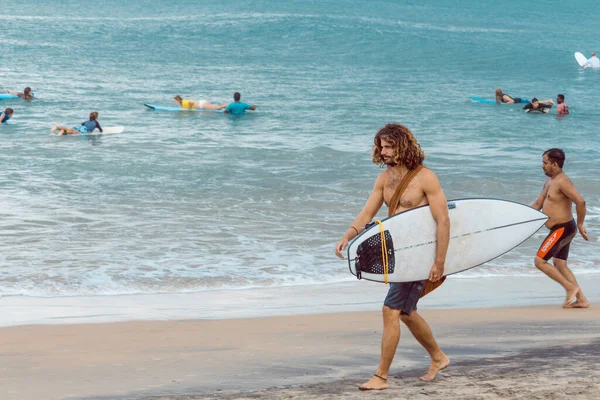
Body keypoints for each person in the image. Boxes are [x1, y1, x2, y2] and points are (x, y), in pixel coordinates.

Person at [334, 123, 450, 391]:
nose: (383, 151)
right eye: (381, 146)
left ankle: (381, 377)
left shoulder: (425, 178)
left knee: (390, 310)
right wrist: (347, 236)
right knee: (406, 313)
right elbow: (367, 214)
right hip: (398, 255)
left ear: (402, 145)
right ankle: (438, 357)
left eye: (388, 146)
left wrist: (440, 262)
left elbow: (443, 221)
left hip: (419, 256)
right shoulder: (384, 179)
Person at [531, 148, 589, 309]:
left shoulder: (563, 181)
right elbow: (538, 204)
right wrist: (519, 216)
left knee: (539, 261)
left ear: (554, 164)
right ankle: (582, 300)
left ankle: (570, 287)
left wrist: (580, 223)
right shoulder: (550, 181)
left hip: (563, 228)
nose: (542, 166)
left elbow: (580, 201)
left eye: (545, 162)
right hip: (560, 229)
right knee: (559, 264)